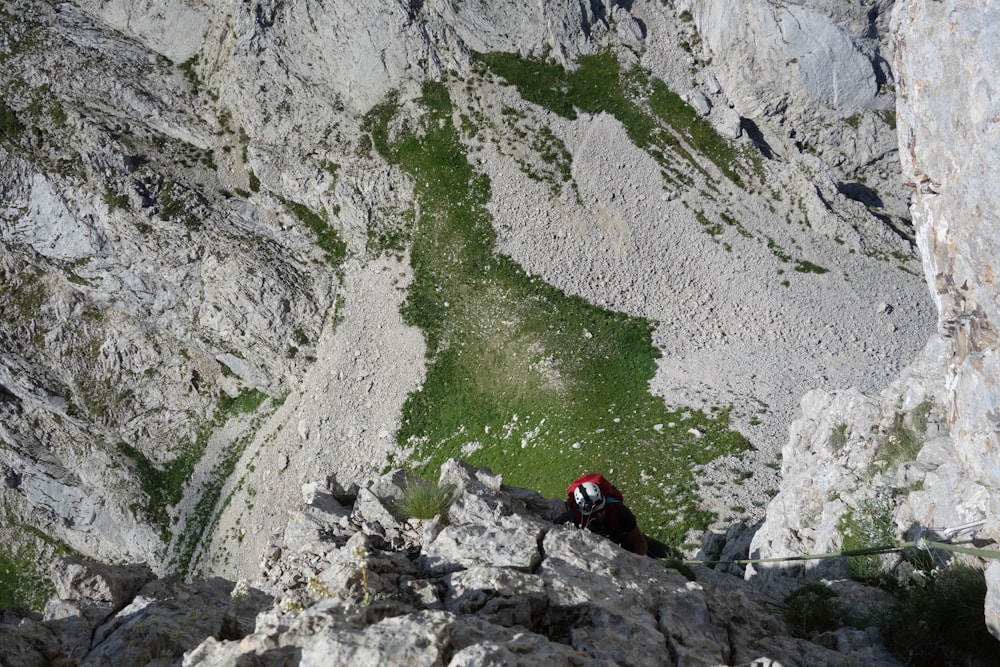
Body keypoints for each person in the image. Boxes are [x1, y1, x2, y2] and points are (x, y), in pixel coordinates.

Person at [555, 479, 671, 558]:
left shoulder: (618, 510)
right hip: (607, 545)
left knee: (665, 552)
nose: (599, 515)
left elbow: (640, 543)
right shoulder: (574, 518)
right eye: (594, 514)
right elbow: (553, 528)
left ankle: (674, 556)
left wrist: (637, 563)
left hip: (624, 537)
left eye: (601, 510)